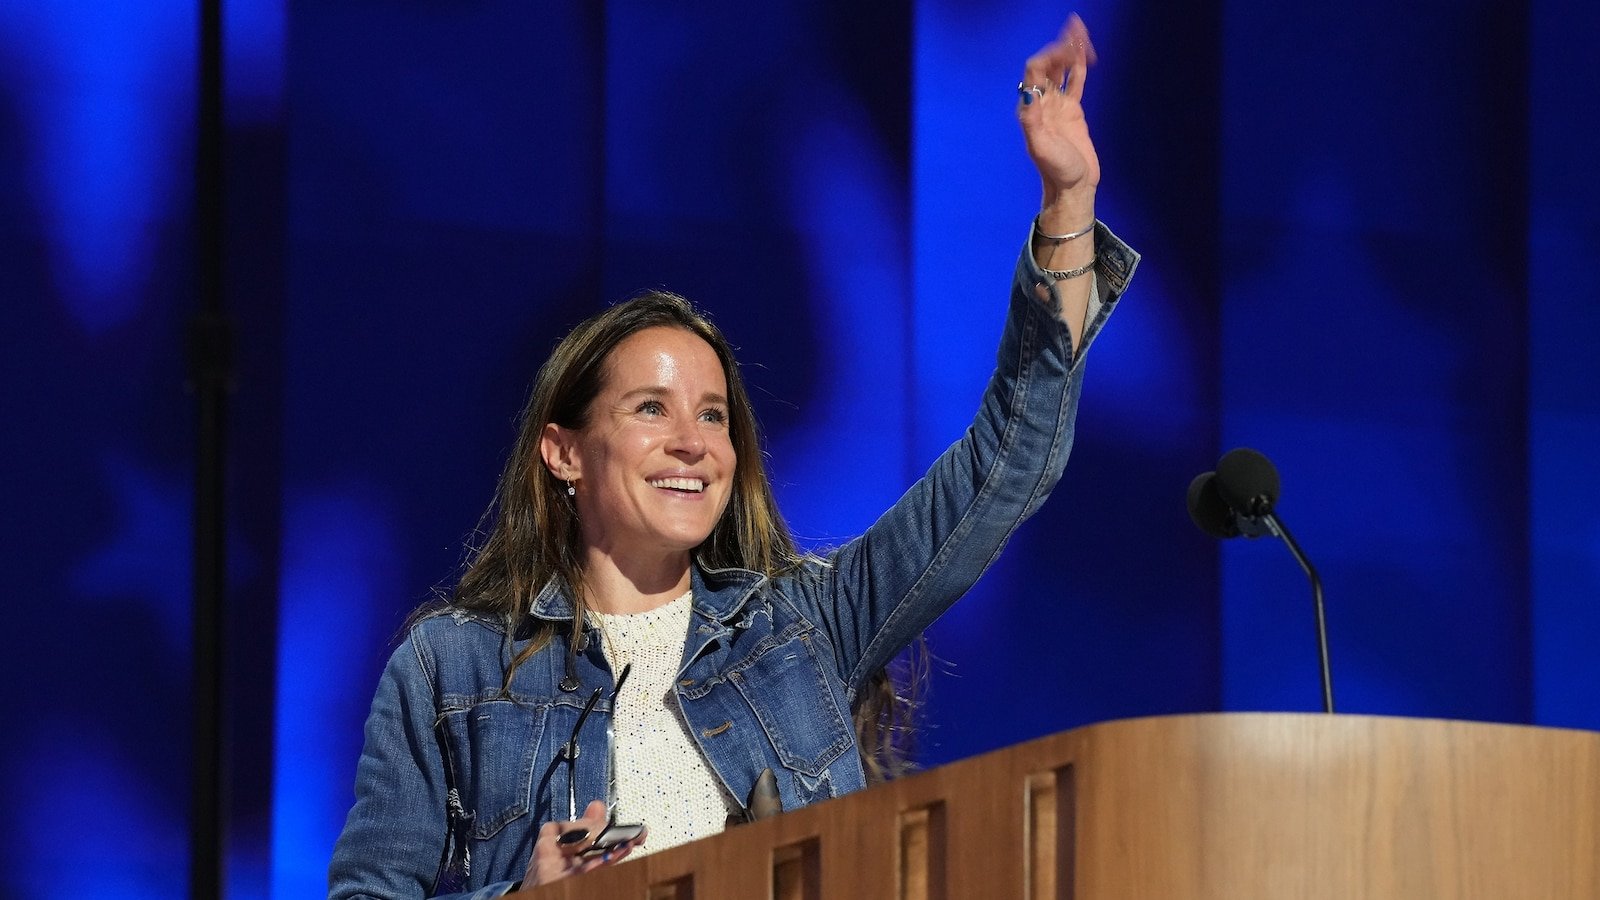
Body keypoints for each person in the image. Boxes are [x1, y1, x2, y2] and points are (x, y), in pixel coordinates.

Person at [328, 13, 1138, 899]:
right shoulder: (453, 665)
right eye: (650, 409)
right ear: (563, 451)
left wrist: (1068, 204)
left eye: (714, 416)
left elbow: (1006, 465)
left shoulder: (803, 627)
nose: (694, 443)